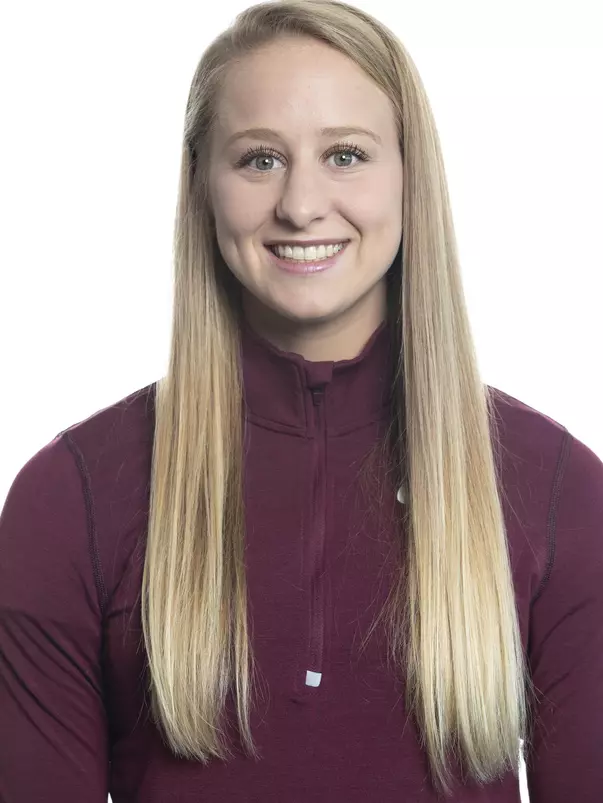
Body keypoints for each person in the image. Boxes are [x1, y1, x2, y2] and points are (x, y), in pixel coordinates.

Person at [0, 1, 601, 801]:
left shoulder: (555, 487)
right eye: (258, 160)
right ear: (200, 186)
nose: (301, 204)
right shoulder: (69, 500)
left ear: (409, 175)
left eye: (346, 154)